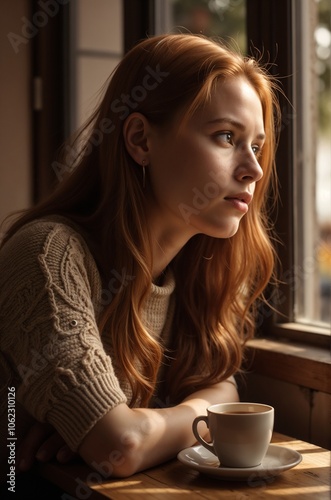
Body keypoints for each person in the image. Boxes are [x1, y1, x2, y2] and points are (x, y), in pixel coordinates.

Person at [0, 33, 280, 482]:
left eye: (257, 145)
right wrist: (137, 426)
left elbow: (221, 386)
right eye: (226, 136)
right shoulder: (48, 257)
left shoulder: (198, 270)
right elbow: (123, 446)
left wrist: (143, 422)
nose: (254, 169)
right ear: (140, 140)